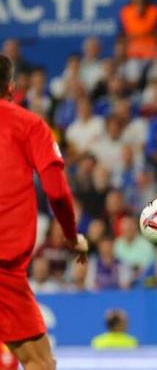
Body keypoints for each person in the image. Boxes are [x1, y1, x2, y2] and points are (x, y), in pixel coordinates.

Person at [0, 54, 88, 370]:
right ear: (11, 88)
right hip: (3, 270)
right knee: (40, 363)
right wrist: (70, 235)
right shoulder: (29, 125)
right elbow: (57, 191)